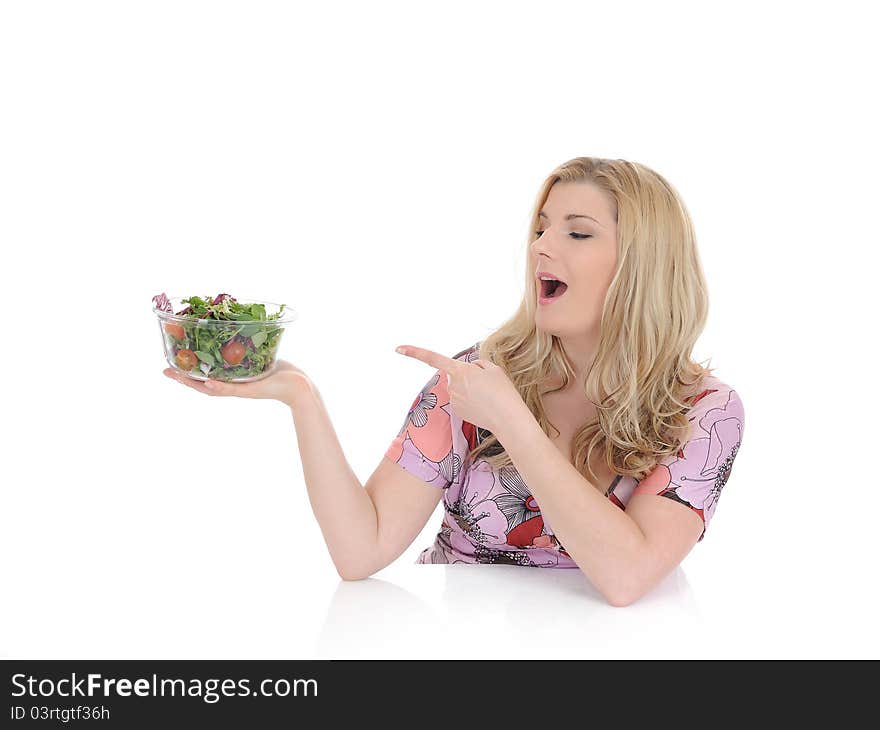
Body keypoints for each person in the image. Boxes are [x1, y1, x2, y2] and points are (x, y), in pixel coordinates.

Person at [163, 156, 745, 607]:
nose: (541, 246)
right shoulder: (475, 379)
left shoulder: (705, 410)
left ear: (643, 264)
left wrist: (513, 424)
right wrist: (302, 399)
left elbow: (626, 578)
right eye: (540, 229)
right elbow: (360, 551)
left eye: (577, 232)